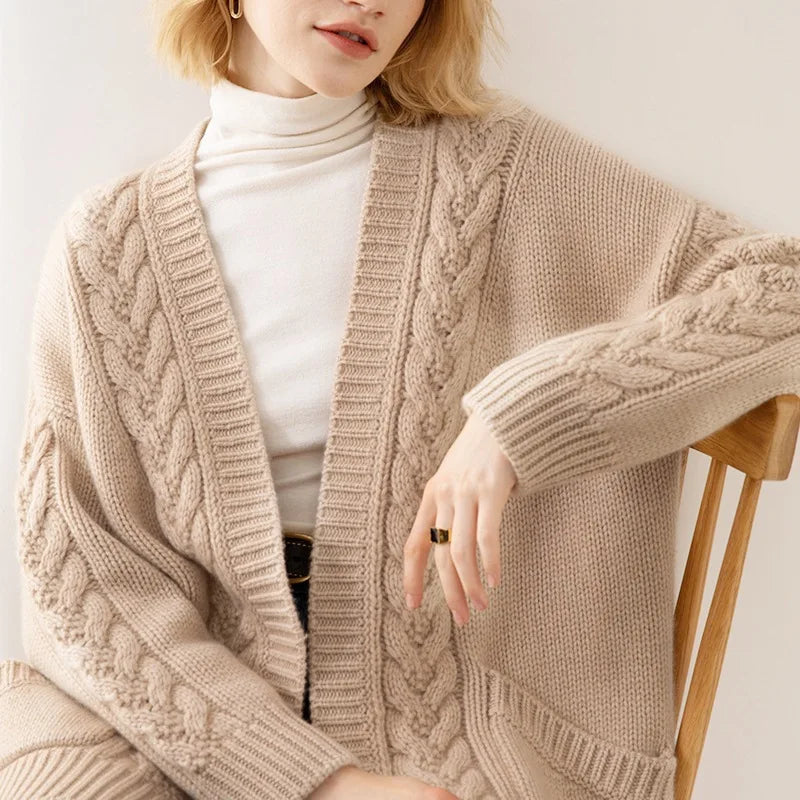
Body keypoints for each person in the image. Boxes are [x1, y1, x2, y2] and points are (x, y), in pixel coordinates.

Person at [1, 1, 799, 799]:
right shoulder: (107, 248)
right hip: (194, 725)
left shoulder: (501, 170)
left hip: (455, 730)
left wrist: (518, 422)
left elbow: (782, 291)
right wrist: (323, 784)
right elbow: (86, 578)